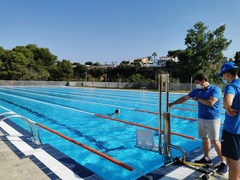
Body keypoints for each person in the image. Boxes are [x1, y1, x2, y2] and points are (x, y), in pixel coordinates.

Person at [169, 73, 228, 175]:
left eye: (198, 83)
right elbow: (185, 98)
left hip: (213, 119)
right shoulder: (197, 90)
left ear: (204, 81)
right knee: (204, 139)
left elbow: (211, 102)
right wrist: (172, 103)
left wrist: (197, 99)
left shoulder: (215, 90)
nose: (197, 85)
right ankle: (206, 158)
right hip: (201, 118)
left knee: (215, 141)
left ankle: (223, 163)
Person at [217, 62, 240, 179]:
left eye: (223, 75)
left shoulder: (231, 86)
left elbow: (227, 102)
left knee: (233, 163)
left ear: (227, 74)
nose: (223, 77)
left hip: (233, 131)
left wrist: (226, 107)